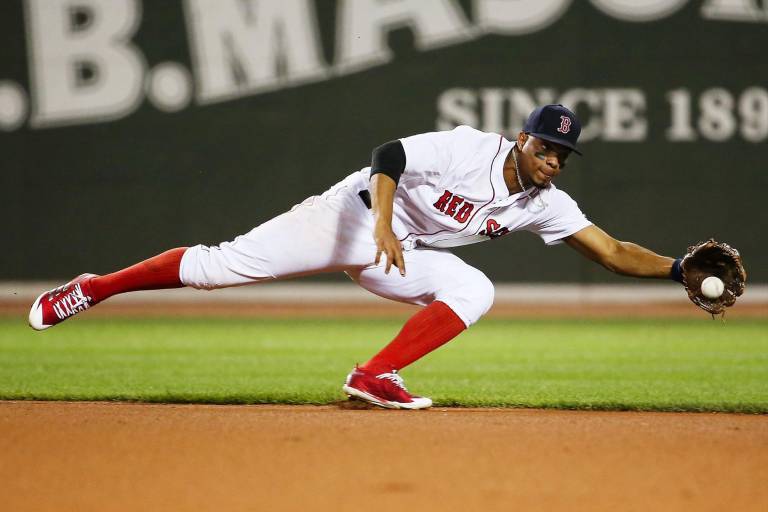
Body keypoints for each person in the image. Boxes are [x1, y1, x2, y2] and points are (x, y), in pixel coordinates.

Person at [28, 104, 686, 410]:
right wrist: (381, 223)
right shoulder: (469, 149)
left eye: (560, 156)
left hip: (396, 249)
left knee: (474, 290)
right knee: (214, 268)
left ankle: (373, 376)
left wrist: (681, 270)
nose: (551, 161)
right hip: (348, 215)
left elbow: (613, 252)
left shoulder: (542, 201)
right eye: (544, 148)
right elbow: (389, 157)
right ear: (522, 139)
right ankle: (95, 288)